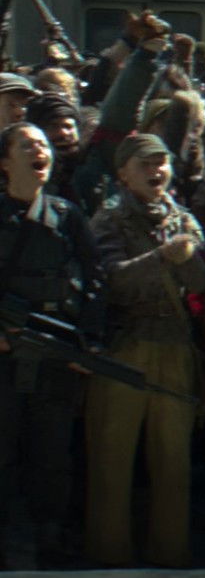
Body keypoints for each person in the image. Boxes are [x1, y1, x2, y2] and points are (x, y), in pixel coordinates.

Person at [85, 132, 205, 568]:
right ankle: (109, 557)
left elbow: (203, 283)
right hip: (124, 347)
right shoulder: (109, 218)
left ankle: (171, 555)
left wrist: (186, 258)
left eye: (162, 163)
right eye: (145, 163)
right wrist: (161, 257)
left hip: (174, 345)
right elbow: (112, 280)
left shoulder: (183, 219)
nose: (157, 171)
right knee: (111, 459)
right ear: (123, 173)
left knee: (173, 462)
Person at [0, 120, 100, 569]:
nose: (39, 151)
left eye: (43, 145)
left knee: (52, 454)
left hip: (54, 353)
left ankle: (51, 539)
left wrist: (89, 341)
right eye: (26, 145)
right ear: (5, 162)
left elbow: (95, 280)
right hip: (5, 358)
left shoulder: (67, 215)